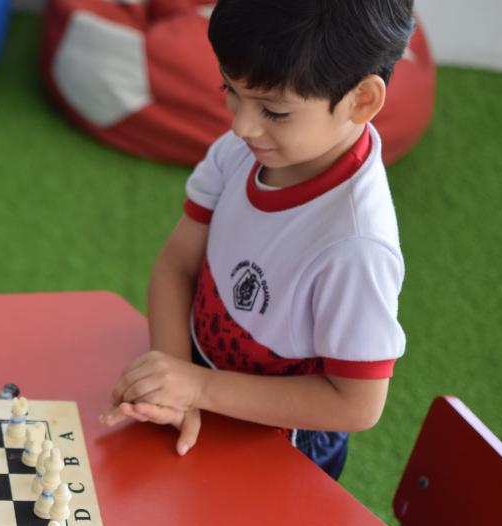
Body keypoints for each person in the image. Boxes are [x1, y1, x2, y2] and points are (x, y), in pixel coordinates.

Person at [102, 0, 414, 480]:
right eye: (231, 89)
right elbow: (176, 267)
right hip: (197, 377)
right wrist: (172, 379)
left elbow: (356, 405)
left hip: (285, 444)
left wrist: (198, 388)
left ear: (362, 101)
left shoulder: (356, 247)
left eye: (273, 109)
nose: (241, 125)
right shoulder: (242, 151)